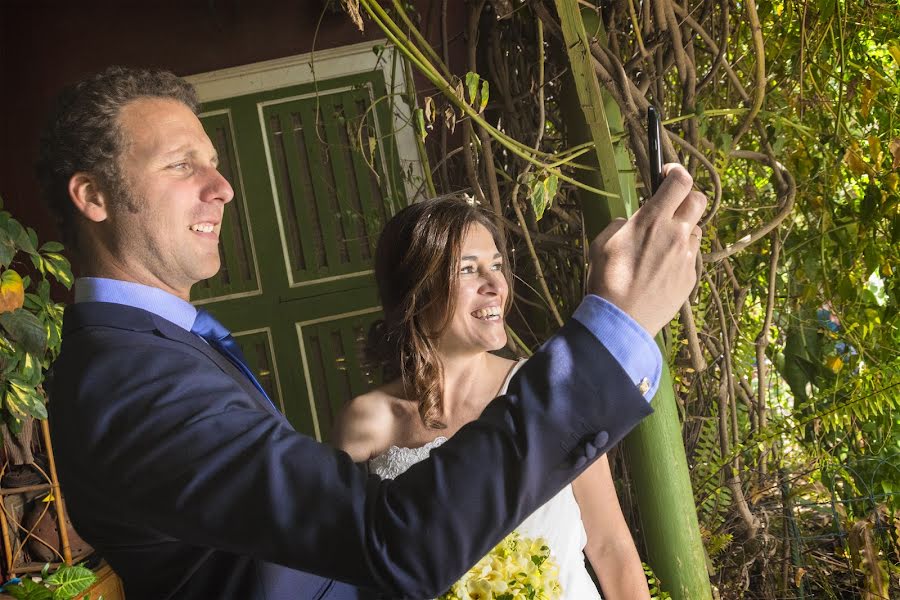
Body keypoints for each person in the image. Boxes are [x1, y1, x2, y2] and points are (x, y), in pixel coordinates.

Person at [39, 66, 706, 600]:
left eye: (213, 162)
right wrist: (615, 330)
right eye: (182, 165)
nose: (223, 187)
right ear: (94, 198)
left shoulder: (162, 352)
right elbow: (391, 539)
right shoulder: (128, 379)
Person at [334, 197, 651, 599]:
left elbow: (610, 546)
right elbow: (352, 575)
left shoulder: (549, 391)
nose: (495, 285)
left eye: (496, 266)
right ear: (416, 288)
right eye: (468, 269)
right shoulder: (367, 422)